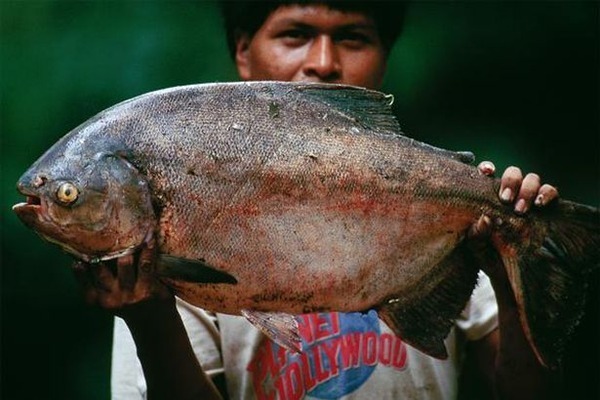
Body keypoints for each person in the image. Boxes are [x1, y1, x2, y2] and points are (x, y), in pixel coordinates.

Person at [74, 2, 560, 399]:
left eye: (353, 37)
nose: (324, 62)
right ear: (243, 52)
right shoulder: (170, 229)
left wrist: (512, 273)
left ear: (385, 55)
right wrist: (150, 317)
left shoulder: (439, 199)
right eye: (295, 34)